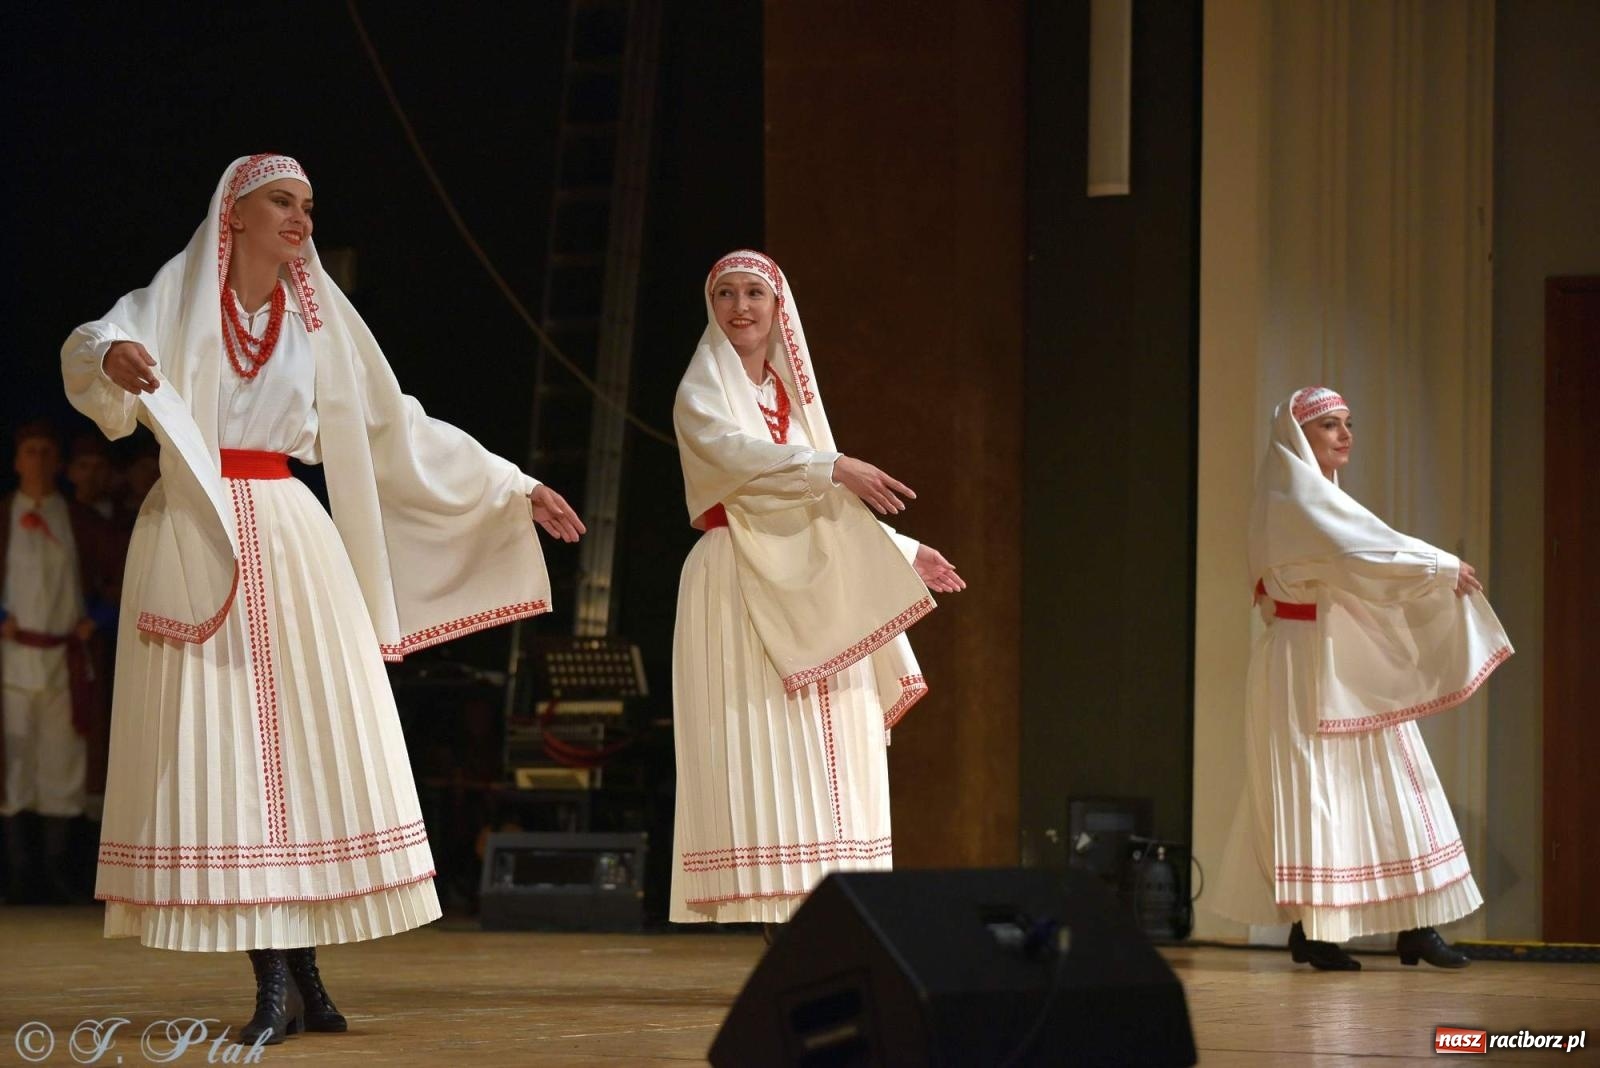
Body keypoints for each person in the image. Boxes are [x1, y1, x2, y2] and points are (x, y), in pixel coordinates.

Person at [61, 155, 584, 1044]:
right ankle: (274, 977)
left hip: (292, 536)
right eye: (281, 202)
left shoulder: (318, 318)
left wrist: (509, 484)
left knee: (301, 750)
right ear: (235, 213)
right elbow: (89, 345)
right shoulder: (177, 296)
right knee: (230, 758)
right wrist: (110, 355)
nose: (300, 218)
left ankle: (303, 971)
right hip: (198, 530)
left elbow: (397, 425)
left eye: (307, 205)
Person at [669, 250, 964, 929]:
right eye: (725, 294)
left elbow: (818, 507)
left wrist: (904, 549)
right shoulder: (702, 392)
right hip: (737, 577)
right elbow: (750, 467)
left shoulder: (789, 403)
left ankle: (829, 902)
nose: (740, 307)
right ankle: (779, 911)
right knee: (762, 737)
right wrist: (833, 466)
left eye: (753, 294)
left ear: (778, 309)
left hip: (804, 576)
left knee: (832, 733)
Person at [1213, 387, 1513, 970]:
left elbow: (1363, 553)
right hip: (1305, 663)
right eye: (1330, 425)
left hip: (1343, 657)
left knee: (1396, 781)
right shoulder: (1292, 500)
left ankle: (1415, 926)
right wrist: (1438, 565)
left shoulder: (1320, 500)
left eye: (1348, 423)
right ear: (1301, 436)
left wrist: (1431, 571)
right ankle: (1315, 931)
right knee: (1316, 791)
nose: (1345, 434)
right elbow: (1365, 552)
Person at [1, 420, 117, 904]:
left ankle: (56, 870)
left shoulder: (79, 520)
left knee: (63, 762)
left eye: (48, 451)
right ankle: (17, 871)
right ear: (17, 460)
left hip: (66, 661)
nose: (40, 460)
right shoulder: (4, 516)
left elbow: (118, 578)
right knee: (14, 763)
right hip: (11, 659)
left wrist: (96, 616)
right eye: (31, 451)